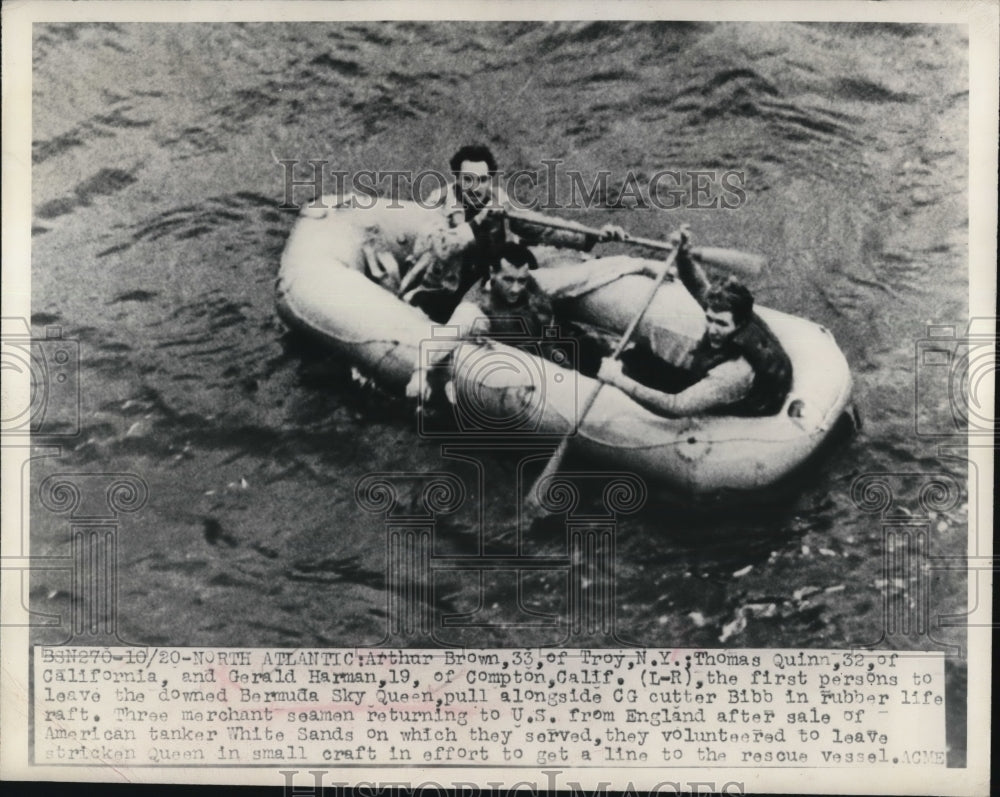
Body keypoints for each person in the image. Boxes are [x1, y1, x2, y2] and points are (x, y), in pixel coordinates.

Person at [403, 144, 624, 321]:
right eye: (468, 179)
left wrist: (592, 235)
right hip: (441, 292)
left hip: (487, 287)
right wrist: (478, 222)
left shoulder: (498, 199)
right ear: (457, 178)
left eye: (482, 180)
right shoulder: (437, 202)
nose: (476, 187)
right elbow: (439, 246)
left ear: (490, 179)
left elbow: (543, 228)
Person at [597, 230, 792, 417]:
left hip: (748, 398)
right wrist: (684, 256)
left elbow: (675, 407)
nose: (712, 330)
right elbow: (698, 285)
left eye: (721, 324)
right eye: (709, 319)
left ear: (740, 325)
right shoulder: (739, 314)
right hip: (756, 372)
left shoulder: (734, 373)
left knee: (640, 369)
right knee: (638, 357)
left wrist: (617, 379)